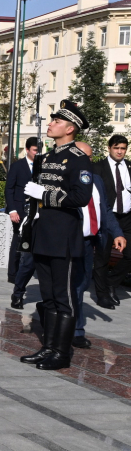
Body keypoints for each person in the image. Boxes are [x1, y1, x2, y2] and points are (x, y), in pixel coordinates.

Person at [19, 100, 93, 371]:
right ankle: (48, 348)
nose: (50, 124)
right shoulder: (48, 157)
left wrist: (45, 195)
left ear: (70, 127)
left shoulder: (78, 158)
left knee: (65, 297)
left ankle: (61, 353)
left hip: (63, 237)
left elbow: (81, 197)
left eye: (56, 121)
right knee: (49, 296)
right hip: (44, 235)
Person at [72, 142, 125, 348]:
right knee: (74, 286)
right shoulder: (65, 181)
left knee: (83, 284)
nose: (90, 161)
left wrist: (117, 233)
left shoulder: (96, 181)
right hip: (70, 241)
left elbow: (106, 210)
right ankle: (76, 330)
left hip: (90, 241)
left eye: (91, 157)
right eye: (85, 157)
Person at [91, 134, 131, 309]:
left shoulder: (130, 167)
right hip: (107, 217)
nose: (120, 151)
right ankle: (102, 295)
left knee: (130, 255)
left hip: (127, 217)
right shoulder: (98, 168)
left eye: (123, 148)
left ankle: (112, 283)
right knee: (102, 257)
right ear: (109, 148)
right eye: (116, 148)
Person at [7, 137, 40, 307]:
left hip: (37, 211)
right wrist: (12, 210)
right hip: (20, 211)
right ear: (27, 150)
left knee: (29, 246)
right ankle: (13, 274)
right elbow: (9, 188)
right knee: (17, 241)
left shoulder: (42, 165)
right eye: (35, 150)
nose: (37, 153)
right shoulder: (18, 166)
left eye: (39, 150)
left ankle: (21, 272)